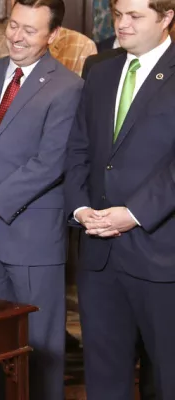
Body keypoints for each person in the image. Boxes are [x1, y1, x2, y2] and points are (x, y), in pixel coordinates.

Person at [0, 0, 83, 398]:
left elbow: (50, 162)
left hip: (31, 237)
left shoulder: (69, 86)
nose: (17, 36)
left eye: (30, 29)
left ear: (53, 35)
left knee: (39, 349)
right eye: (14, 25)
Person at [64, 0, 175, 397]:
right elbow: (78, 148)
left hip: (160, 253)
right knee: (104, 374)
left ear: (166, 18)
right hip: (98, 254)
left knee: (166, 377)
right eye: (117, 15)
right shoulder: (100, 69)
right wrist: (79, 208)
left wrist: (134, 213)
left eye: (135, 16)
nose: (121, 25)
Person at [0, 0, 97, 76]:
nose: (16, 37)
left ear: (53, 34)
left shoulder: (80, 47)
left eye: (29, 31)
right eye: (12, 25)